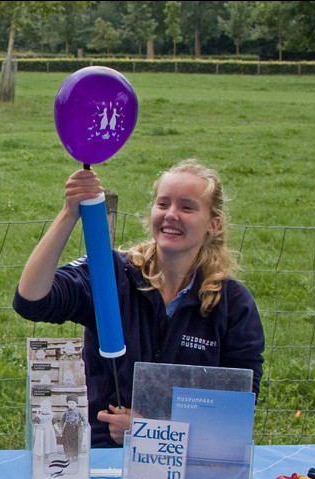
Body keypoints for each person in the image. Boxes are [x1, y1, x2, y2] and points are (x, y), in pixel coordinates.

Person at [13, 159, 265, 448]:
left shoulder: (232, 303)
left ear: (213, 224)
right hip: (103, 452)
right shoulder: (110, 273)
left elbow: (238, 406)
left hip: (185, 458)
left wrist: (150, 430)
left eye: (187, 207)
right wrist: (68, 214)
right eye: (163, 204)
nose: (171, 215)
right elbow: (31, 301)